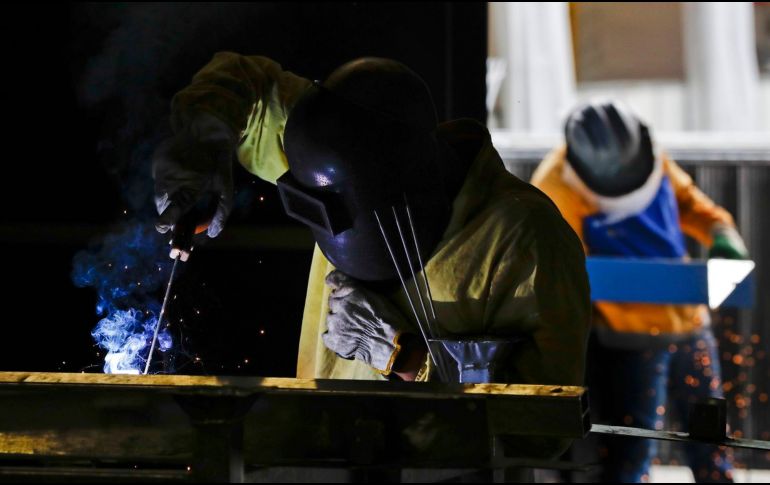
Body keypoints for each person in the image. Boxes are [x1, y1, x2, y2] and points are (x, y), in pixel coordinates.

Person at [153, 52, 591, 456]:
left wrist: (407, 359)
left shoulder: (527, 237)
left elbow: (544, 427)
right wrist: (204, 141)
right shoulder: (333, 150)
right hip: (320, 458)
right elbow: (242, 80)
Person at [531, 101, 748, 482]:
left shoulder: (648, 156)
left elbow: (691, 204)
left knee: (712, 446)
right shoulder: (554, 186)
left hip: (690, 324)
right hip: (628, 341)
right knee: (633, 454)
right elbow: (563, 275)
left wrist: (722, 234)